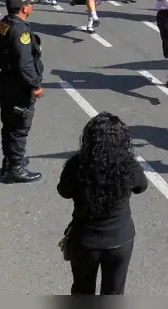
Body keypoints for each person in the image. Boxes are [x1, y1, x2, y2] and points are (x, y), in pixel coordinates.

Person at [58, 113, 147, 295]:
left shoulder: (76, 165)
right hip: (120, 239)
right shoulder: (129, 166)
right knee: (114, 293)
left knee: (82, 291)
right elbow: (141, 187)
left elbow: (64, 192)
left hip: (85, 240)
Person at [0, 0, 44, 183]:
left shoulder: (1, 25)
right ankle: (16, 169)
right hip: (18, 85)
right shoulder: (21, 30)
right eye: (30, 4)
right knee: (19, 127)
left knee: (9, 124)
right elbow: (25, 62)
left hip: (5, 80)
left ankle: (11, 160)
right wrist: (35, 84)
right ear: (24, 8)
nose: (31, 6)